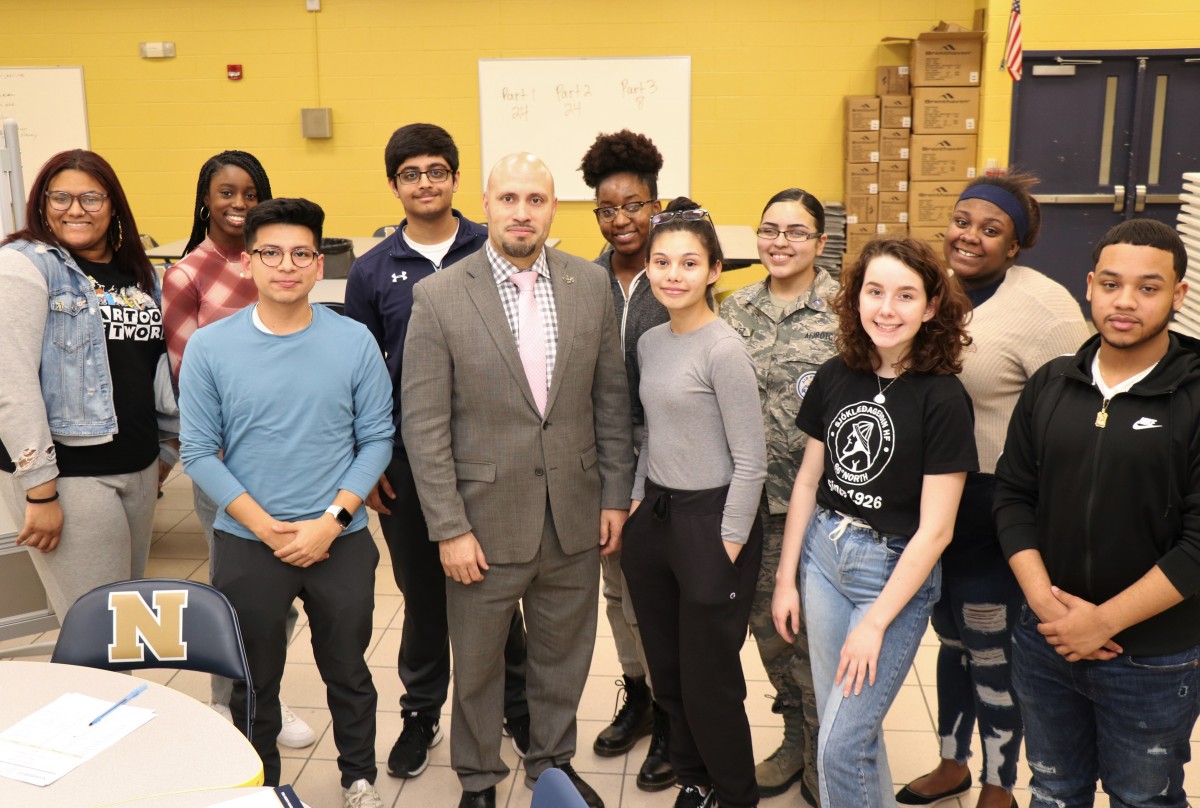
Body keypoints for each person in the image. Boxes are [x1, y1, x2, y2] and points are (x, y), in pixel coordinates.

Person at [401, 153, 634, 808]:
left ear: (554, 207)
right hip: (481, 525)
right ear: (486, 204)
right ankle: (478, 778)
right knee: (475, 668)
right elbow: (423, 426)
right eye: (509, 199)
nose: (522, 212)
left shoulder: (590, 286)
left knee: (563, 660)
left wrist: (614, 495)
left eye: (536, 199)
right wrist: (448, 528)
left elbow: (610, 402)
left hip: (575, 515)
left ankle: (551, 767)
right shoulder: (441, 295)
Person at [179, 198, 394, 808]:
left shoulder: (353, 341)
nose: (286, 266)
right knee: (254, 679)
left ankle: (357, 777)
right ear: (250, 262)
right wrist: (265, 526)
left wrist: (332, 521)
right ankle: (262, 785)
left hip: (340, 541)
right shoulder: (212, 347)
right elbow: (197, 451)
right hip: (250, 544)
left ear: (318, 261)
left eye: (301, 253)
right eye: (271, 253)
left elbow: (377, 437)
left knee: (348, 670)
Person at [344, 122, 530, 779]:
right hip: (406, 468)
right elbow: (361, 375)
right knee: (424, 604)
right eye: (411, 173)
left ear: (456, 179)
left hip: (495, 463)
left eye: (437, 170)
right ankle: (421, 714)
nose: (425, 182)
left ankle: (520, 709)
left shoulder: (497, 250)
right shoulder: (371, 272)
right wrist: (367, 468)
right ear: (394, 185)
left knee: (499, 595)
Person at [994, 218, 1200, 808]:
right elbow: (1013, 496)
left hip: (1153, 658)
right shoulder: (1051, 386)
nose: (1125, 302)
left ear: (1179, 294)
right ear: (1089, 286)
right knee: (1055, 789)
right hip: (1047, 642)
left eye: (1148, 287)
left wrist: (1103, 621)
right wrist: (1044, 605)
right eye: (1111, 284)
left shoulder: (1193, 396)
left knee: (1144, 798)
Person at [897, 174, 1087, 808]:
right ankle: (952, 762)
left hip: (993, 506)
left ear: (1015, 246)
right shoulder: (930, 289)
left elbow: (1078, 415)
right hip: (932, 504)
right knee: (950, 638)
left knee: (992, 648)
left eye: (990, 229)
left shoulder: (1047, 309)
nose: (969, 236)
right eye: (961, 220)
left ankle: (1000, 783)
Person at [773, 238, 977, 807]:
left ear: (931, 308)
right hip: (823, 561)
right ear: (855, 299)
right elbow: (809, 482)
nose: (887, 309)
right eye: (875, 291)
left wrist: (875, 624)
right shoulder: (838, 374)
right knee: (853, 737)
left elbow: (937, 530)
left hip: (890, 577)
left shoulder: (943, 398)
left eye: (906, 295)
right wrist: (787, 578)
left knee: (838, 745)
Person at [160, 149, 315, 750]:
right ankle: (226, 705)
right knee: (237, 593)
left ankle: (265, 697)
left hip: (292, 461)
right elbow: (184, 377)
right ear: (205, 199)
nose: (239, 204)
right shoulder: (188, 274)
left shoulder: (275, 266)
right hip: (223, 465)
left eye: (251, 194)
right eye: (226, 193)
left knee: (284, 595)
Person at [621, 207, 767, 808]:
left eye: (688, 263)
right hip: (655, 515)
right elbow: (651, 432)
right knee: (670, 673)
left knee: (710, 681)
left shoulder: (724, 349)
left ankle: (735, 794)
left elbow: (751, 460)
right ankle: (693, 777)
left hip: (712, 522)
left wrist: (725, 546)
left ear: (713, 271)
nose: (673, 274)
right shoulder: (652, 342)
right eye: (661, 262)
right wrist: (634, 503)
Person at [0, 149, 173, 620]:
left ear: (113, 205)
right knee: (97, 627)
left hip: (138, 466)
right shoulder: (24, 266)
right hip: (71, 475)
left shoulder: (137, 272)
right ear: (42, 204)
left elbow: (153, 366)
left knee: (125, 625)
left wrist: (165, 451)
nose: (75, 209)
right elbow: (10, 383)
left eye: (91, 198)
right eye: (61, 197)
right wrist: (40, 490)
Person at [720, 188, 837, 806]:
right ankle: (796, 737)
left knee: (823, 640)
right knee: (773, 633)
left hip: (829, 512)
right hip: (754, 508)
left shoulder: (850, 309)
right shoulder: (732, 309)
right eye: (769, 230)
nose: (780, 243)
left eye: (796, 232)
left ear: (820, 243)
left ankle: (828, 754)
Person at [577, 128, 674, 790]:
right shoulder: (581, 282)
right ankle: (638, 695)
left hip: (668, 468)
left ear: (656, 204)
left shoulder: (678, 272)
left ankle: (672, 713)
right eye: (608, 209)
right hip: (601, 465)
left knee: (660, 597)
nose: (621, 220)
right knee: (617, 593)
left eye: (633, 205)